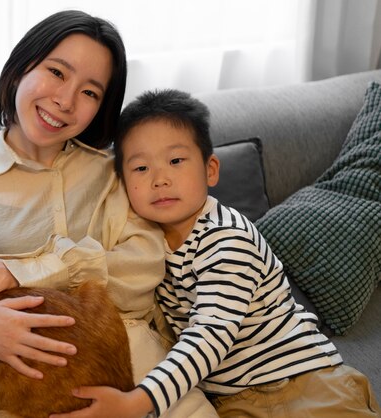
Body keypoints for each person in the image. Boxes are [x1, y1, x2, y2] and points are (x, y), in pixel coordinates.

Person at [0, 11, 216, 418]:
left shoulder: (112, 174)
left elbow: (143, 270)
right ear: (19, 70)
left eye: (90, 92)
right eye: (56, 72)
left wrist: (29, 271)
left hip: (147, 379)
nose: (66, 101)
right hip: (27, 394)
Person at [49, 88, 381, 418]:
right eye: (140, 169)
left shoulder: (226, 240)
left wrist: (137, 401)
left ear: (210, 170)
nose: (160, 179)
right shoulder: (147, 244)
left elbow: (209, 335)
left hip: (302, 385)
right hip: (231, 400)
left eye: (176, 161)